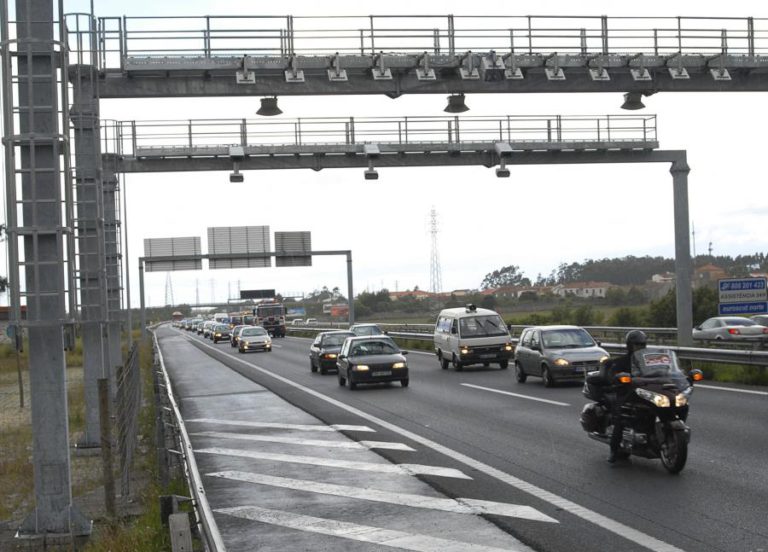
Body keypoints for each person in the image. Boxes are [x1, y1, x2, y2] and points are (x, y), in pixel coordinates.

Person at [605, 330, 647, 463]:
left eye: (642, 344)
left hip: (646, 393)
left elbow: (662, 370)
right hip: (626, 394)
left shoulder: (649, 360)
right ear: (629, 345)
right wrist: (618, 377)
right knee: (621, 417)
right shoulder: (622, 362)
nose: (639, 347)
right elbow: (612, 376)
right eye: (636, 344)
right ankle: (614, 450)